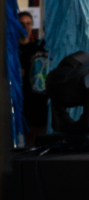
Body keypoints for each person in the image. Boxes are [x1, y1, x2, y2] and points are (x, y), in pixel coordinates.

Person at [16, 11, 47, 147]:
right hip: (19, 102)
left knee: (38, 139)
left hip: (37, 103)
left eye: (28, 23)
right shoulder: (12, 50)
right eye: (22, 23)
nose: (25, 26)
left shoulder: (38, 48)